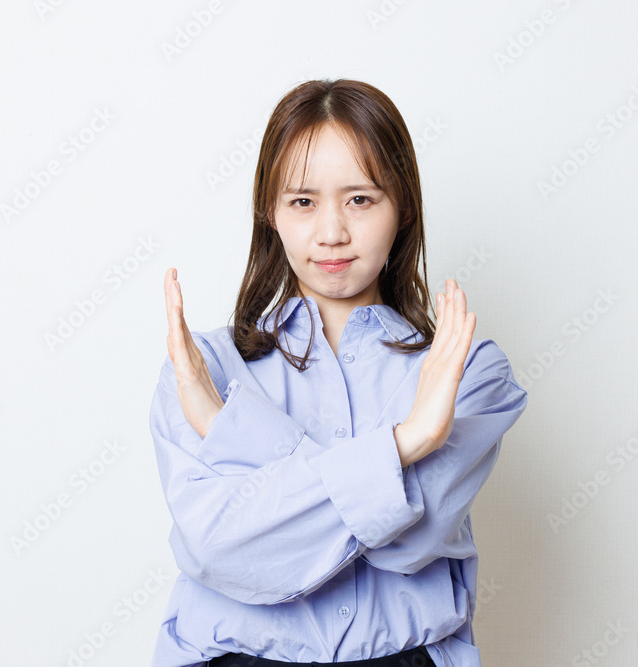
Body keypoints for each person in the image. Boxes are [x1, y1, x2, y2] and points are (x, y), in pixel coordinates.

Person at [148, 79, 528, 667]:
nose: (331, 233)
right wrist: (406, 443)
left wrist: (235, 434)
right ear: (270, 213)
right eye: (303, 201)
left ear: (403, 207)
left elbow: (410, 543)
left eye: (361, 200)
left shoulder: (468, 372)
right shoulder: (204, 369)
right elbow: (218, 549)